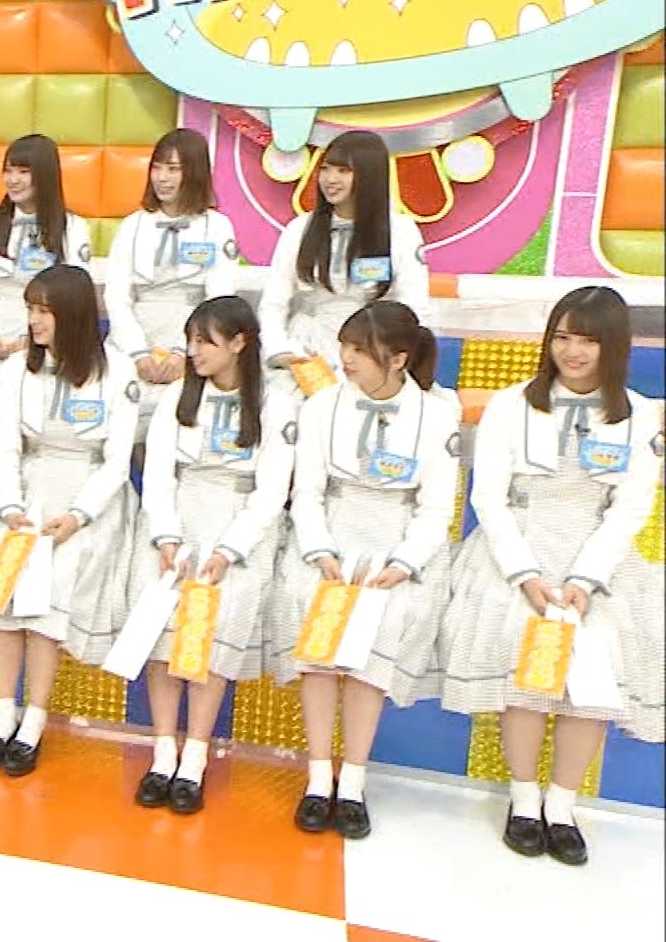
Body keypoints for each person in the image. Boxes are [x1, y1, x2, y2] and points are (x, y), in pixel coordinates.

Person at [438, 286, 664, 866]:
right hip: (520, 545)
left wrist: (585, 580)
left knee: (596, 665)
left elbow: (631, 508)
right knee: (525, 650)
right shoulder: (511, 404)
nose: (572, 351)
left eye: (587, 340)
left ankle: (561, 807)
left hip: (597, 556)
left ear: (613, 346)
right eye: (562, 337)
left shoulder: (641, 414)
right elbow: (488, 497)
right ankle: (522, 800)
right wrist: (525, 574)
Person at [266, 300, 461, 840]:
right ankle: (317, 777)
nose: (346, 360)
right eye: (345, 348)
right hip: (332, 532)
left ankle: (352, 781)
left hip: (397, 539)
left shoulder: (436, 415)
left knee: (377, 636)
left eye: (359, 351)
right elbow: (308, 491)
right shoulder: (320, 406)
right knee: (317, 637)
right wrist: (319, 550)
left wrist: (403, 562)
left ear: (398, 359)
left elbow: (435, 509)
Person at [0, 264, 139, 776]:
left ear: (74, 314)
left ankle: (34, 720)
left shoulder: (118, 370)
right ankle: (2, 715)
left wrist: (78, 515)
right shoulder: (18, 368)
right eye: (31, 310)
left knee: (56, 583)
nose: (35, 321)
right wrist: (10, 504)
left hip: (87, 495)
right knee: (6, 576)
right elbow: (6, 449)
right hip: (28, 489)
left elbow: (116, 462)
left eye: (45, 311)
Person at [127, 296, 296, 814]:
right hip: (177, 520)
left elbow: (272, 491)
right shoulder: (178, 396)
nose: (194, 351)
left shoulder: (275, 402)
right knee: (161, 636)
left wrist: (228, 549)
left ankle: (195, 757)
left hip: (237, 525)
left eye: (206, 341)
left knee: (210, 638)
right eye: (191, 340)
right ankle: (162, 752)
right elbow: (158, 475)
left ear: (240, 343)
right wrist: (166, 536)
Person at [256, 130, 431, 382]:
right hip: (306, 350)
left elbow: (414, 304)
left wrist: (385, 354)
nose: (330, 179)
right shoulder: (299, 228)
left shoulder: (400, 230)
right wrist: (280, 349)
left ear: (370, 175)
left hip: (372, 351)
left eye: (343, 171)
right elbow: (274, 302)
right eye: (325, 169)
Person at [102, 128, 240, 447]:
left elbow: (218, 298)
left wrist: (185, 351)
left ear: (194, 172)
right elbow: (117, 296)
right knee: (122, 433)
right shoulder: (132, 225)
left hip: (193, 339)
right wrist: (138, 352)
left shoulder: (217, 226)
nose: (162, 178)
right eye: (157, 167)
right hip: (134, 338)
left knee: (176, 434)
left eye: (173, 169)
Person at [0, 134, 96, 366]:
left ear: (45, 175)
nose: (13, 180)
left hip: (45, 342)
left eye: (23, 172)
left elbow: (75, 296)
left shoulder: (73, 227)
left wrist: (35, 339)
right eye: (8, 171)